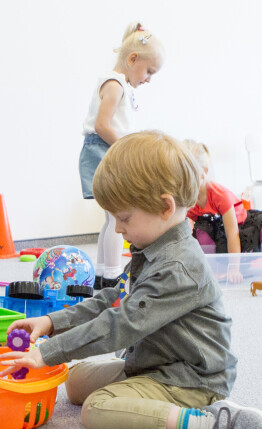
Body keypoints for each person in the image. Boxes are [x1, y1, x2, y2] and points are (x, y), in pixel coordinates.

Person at [1, 131, 262, 429]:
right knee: (74, 382)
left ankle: (208, 424)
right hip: (154, 362)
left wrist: (48, 352)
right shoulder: (150, 248)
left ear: (165, 207)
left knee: (97, 410)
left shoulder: (177, 267)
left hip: (191, 379)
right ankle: (144, 389)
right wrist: (51, 322)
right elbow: (111, 299)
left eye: (124, 218)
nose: (118, 228)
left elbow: (121, 324)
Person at [78, 22, 165, 290]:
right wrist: (128, 148)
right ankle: (112, 274)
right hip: (104, 152)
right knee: (119, 217)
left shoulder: (121, 85)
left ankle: (103, 272)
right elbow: (102, 126)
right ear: (132, 59)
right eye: (149, 71)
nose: (148, 79)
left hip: (108, 151)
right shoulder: (115, 84)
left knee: (111, 218)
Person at [184, 139, 262, 257]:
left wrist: (234, 266)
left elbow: (232, 234)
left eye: (187, 175)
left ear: (203, 172)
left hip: (242, 224)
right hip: (218, 231)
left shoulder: (220, 195)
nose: (182, 181)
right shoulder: (184, 197)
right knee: (202, 235)